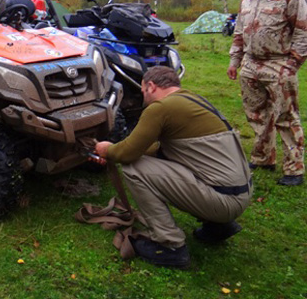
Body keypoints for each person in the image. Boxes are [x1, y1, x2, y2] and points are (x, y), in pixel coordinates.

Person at [95, 66, 252, 268]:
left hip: (223, 201)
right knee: (164, 163)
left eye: (143, 91)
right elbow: (161, 149)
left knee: (134, 168)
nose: (143, 96)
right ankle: (218, 227)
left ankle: (169, 246)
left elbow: (128, 153)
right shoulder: (193, 100)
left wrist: (107, 150)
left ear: (151, 86)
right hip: (239, 194)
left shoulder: (160, 108)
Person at [227, 0, 307, 187]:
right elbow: (239, 32)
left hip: (278, 64)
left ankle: (294, 168)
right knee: (257, 115)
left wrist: (292, 64)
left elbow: (303, 32)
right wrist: (235, 61)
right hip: (251, 65)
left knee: (286, 116)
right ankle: (263, 157)